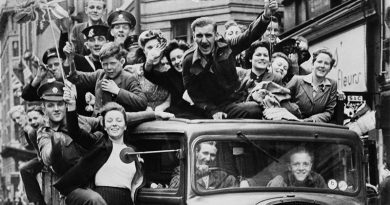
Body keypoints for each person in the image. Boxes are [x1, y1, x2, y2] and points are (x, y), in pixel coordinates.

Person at [55, 83, 173, 205]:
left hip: (126, 201)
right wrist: (71, 105)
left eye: (119, 120)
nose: (114, 124)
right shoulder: (99, 142)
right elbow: (75, 132)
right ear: (105, 127)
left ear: (125, 125)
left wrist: (152, 184)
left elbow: (137, 177)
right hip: (102, 199)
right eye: (109, 121)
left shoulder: (132, 150)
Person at [182, 0, 279, 119]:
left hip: (235, 99)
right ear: (193, 37)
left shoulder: (227, 47)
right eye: (199, 36)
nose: (204, 40)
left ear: (216, 35)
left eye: (208, 35)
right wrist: (213, 111)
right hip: (210, 108)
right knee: (253, 110)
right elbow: (194, 93)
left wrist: (266, 16)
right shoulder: (188, 60)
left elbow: (248, 36)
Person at [67, 42, 147, 115]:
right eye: (105, 64)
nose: (109, 68)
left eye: (112, 63)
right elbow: (76, 77)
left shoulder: (129, 78)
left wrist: (117, 91)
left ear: (122, 62)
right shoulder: (100, 74)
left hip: (116, 124)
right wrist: (71, 61)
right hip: (97, 122)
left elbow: (142, 102)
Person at [144, 39, 207, 119]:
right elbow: (149, 74)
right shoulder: (170, 76)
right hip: (178, 115)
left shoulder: (199, 69)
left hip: (202, 114)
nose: (177, 61)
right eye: (173, 59)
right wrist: (149, 60)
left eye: (180, 57)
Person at [286, 48, 337, 123]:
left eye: (326, 63)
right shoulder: (297, 80)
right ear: (313, 64)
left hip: (316, 128)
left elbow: (329, 112)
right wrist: (294, 112)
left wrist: (312, 120)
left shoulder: (332, 84)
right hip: (293, 125)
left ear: (330, 68)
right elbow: (282, 99)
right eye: (319, 62)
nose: (322, 66)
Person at [127, 30, 171, 111]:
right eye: (150, 47)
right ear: (144, 51)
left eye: (157, 47)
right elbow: (129, 98)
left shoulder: (169, 71)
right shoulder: (133, 71)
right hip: (141, 115)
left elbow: (171, 98)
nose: (154, 52)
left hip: (166, 116)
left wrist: (161, 108)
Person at [169, 141, 236, 190]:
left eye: (212, 155)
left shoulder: (220, 174)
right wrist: (197, 174)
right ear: (196, 153)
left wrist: (243, 181)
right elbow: (174, 187)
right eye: (205, 153)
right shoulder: (182, 170)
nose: (208, 158)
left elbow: (233, 182)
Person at [19, 106, 47, 205]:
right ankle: (37, 201)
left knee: (25, 169)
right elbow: (39, 154)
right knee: (24, 169)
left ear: (44, 116)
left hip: (54, 156)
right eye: (30, 120)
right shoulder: (32, 132)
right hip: (44, 158)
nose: (33, 122)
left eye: (35, 118)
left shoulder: (47, 126)